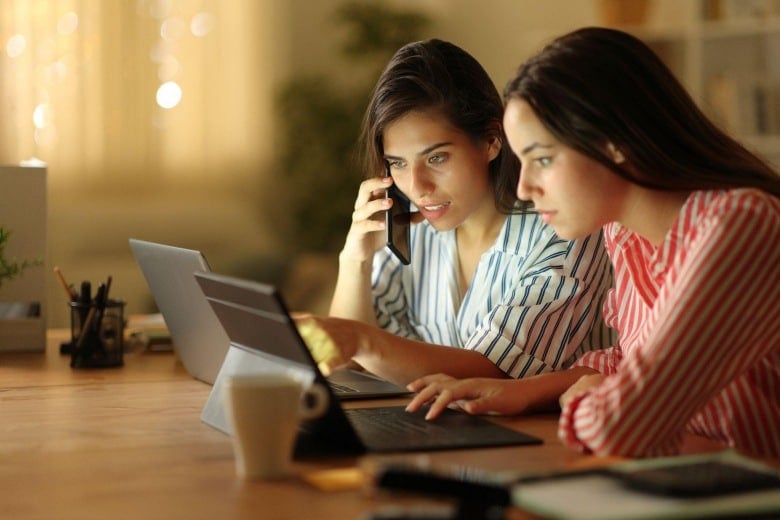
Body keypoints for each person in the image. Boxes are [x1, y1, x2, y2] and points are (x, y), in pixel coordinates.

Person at [407, 27, 780, 459]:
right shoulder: (624, 233)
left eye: (542, 159)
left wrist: (587, 398)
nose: (524, 188)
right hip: (686, 481)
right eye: (522, 161)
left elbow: (620, 425)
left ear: (615, 142)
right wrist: (524, 391)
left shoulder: (740, 226)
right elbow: (627, 362)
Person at [295, 39, 614, 387]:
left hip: (548, 435)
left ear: (492, 141)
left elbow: (493, 372)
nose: (417, 186)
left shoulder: (562, 227)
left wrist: (361, 340)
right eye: (398, 163)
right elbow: (354, 366)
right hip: (441, 431)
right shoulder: (414, 225)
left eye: (436, 158)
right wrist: (355, 261)